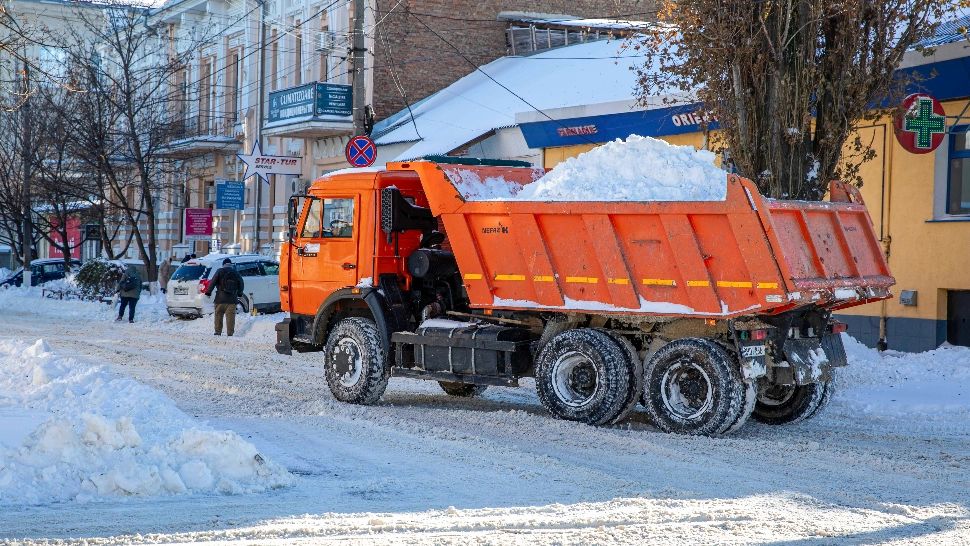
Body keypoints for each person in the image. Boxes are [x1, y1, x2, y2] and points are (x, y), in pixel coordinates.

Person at [205, 258, 244, 336]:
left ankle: (217, 332)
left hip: (220, 298)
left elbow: (213, 282)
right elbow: (241, 283)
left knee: (218, 315)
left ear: (223, 264)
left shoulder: (219, 271)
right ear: (230, 264)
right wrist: (240, 293)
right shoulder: (235, 272)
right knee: (230, 317)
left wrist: (208, 292)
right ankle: (230, 333)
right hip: (232, 299)